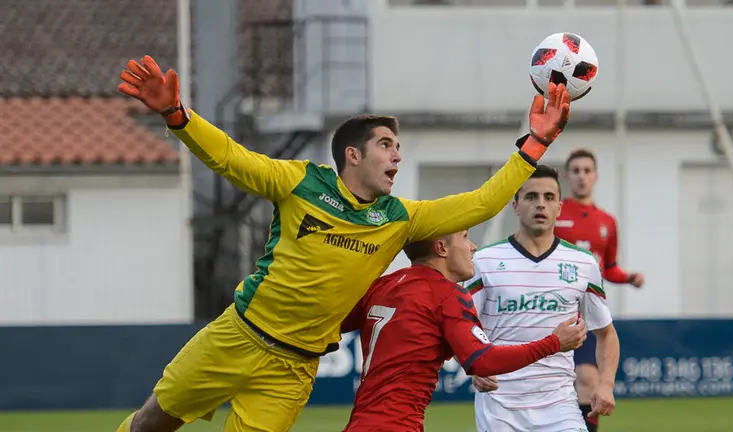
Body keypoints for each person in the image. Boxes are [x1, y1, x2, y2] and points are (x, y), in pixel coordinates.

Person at [114, 55, 572, 432]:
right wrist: (177, 116)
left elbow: (482, 203)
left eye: (398, 146)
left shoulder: (400, 218)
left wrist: (535, 143)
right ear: (354, 155)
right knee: (149, 424)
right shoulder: (300, 183)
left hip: (292, 370)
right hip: (237, 334)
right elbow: (233, 158)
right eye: (387, 145)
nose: (398, 155)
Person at [339, 229, 587, 432]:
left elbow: (329, 323)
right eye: (466, 237)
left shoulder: (386, 283)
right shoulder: (447, 295)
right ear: (442, 248)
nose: (473, 247)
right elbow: (484, 361)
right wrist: (553, 343)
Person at [466, 165, 620, 432]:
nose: (541, 204)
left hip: (559, 405)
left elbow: (606, 334)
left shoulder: (583, 263)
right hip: (500, 405)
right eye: (531, 197)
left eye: (549, 198)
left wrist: (605, 384)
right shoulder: (483, 260)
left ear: (559, 207)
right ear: (514, 205)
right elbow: (462, 324)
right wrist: (472, 364)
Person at [555, 148, 643, 432]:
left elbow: (608, 267)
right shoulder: (554, 214)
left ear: (596, 176)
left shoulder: (607, 222)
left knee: (589, 380)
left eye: (587, 170)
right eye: (576, 171)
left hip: (587, 315)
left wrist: (628, 277)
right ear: (567, 176)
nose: (581, 176)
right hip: (553, 310)